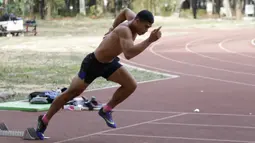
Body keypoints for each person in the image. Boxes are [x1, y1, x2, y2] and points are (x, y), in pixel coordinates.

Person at [36, 8, 162, 140]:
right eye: (145, 27)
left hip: (109, 63)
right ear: (137, 21)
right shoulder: (125, 31)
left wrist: (111, 28)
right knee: (71, 93)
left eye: (149, 28)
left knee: (131, 85)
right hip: (93, 64)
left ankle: (106, 110)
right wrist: (149, 40)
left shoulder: (132, 18)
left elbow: (124, 11)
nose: (146, 30)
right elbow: (129, 54)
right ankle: (44, 120)